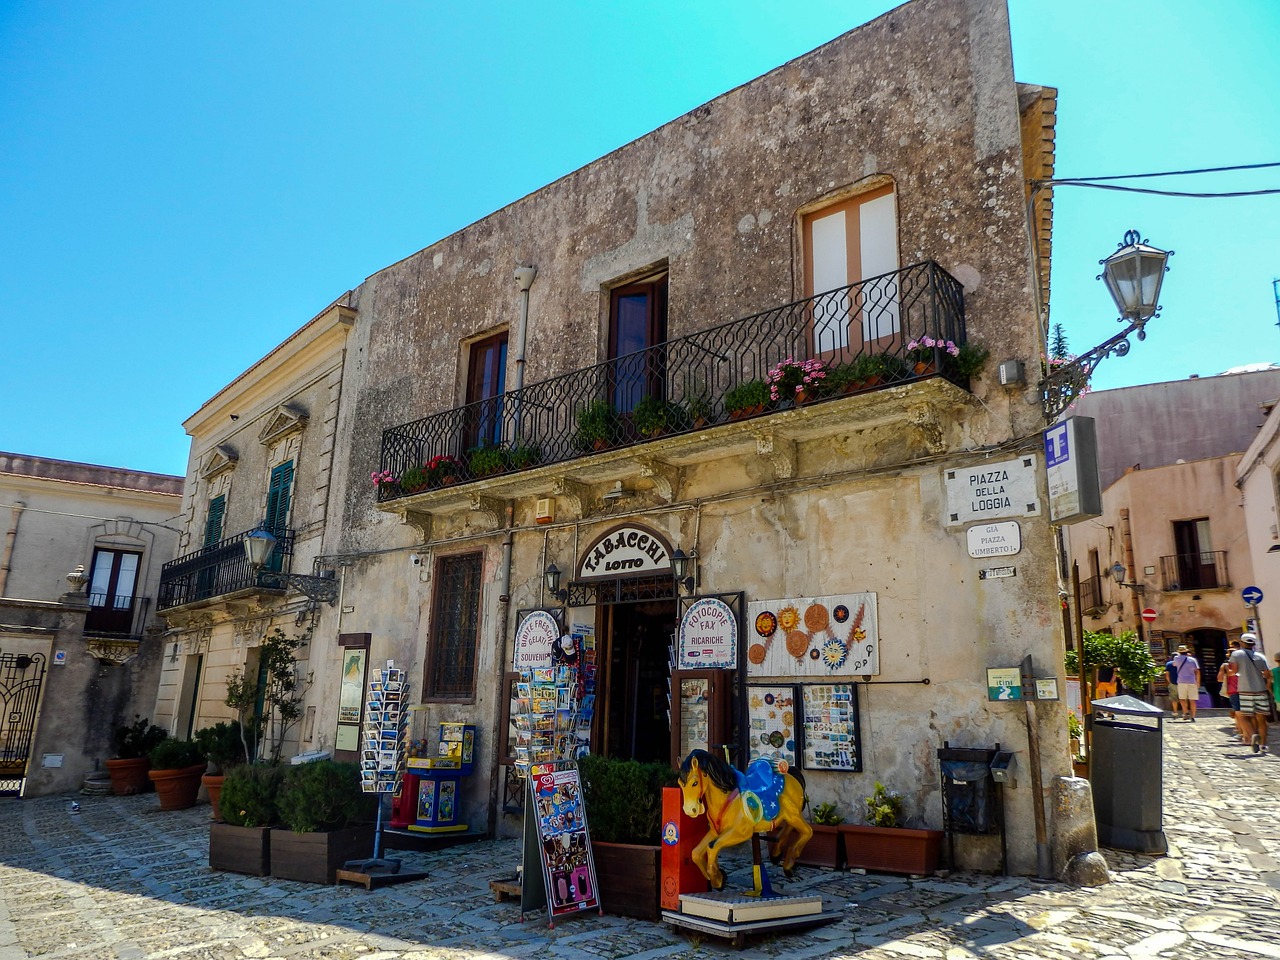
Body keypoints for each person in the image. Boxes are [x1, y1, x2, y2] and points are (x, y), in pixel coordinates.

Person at [1228, 633, 1271, 754]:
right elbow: (1267, 674)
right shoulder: (1260, 657)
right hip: (1260, 690)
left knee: (1246, 717)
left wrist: (1230, 673)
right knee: (1261, 719)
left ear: (1242, 642)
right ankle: (1263, 745)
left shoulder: (1236, 654)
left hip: (1245, 690)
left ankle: (1253, 734)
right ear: (1254, 644)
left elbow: (1234, 671)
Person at [1218, 640, 1246, 743]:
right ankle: (1244, 732)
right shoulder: (1244, 663)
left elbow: (1219, 679)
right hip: (1246, 689)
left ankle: (1242, 733)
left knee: (1238, 713)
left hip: (1233, 690)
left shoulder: (1226, 665)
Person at [1171, 645, 1201, 721]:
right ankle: (1193, 716)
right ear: (1186, 651)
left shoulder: (1176, 658)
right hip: (1192, 680)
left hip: (1181, 681)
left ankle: (1186, 711)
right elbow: (1197, 671)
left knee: (1182, 698)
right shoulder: (1193, 660)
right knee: (1192, 700)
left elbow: (1174, 664)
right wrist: (1198, 681)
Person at [1166, 654, 1183, 719]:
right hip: (1182, 682)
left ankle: (1175, 712)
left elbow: (1167, 675)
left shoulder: (1169, 664)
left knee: (1174, 699)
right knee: (1183, 698)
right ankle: (1184, 712)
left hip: (1173, 683)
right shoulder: (1182, 663)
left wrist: (1170, 682)